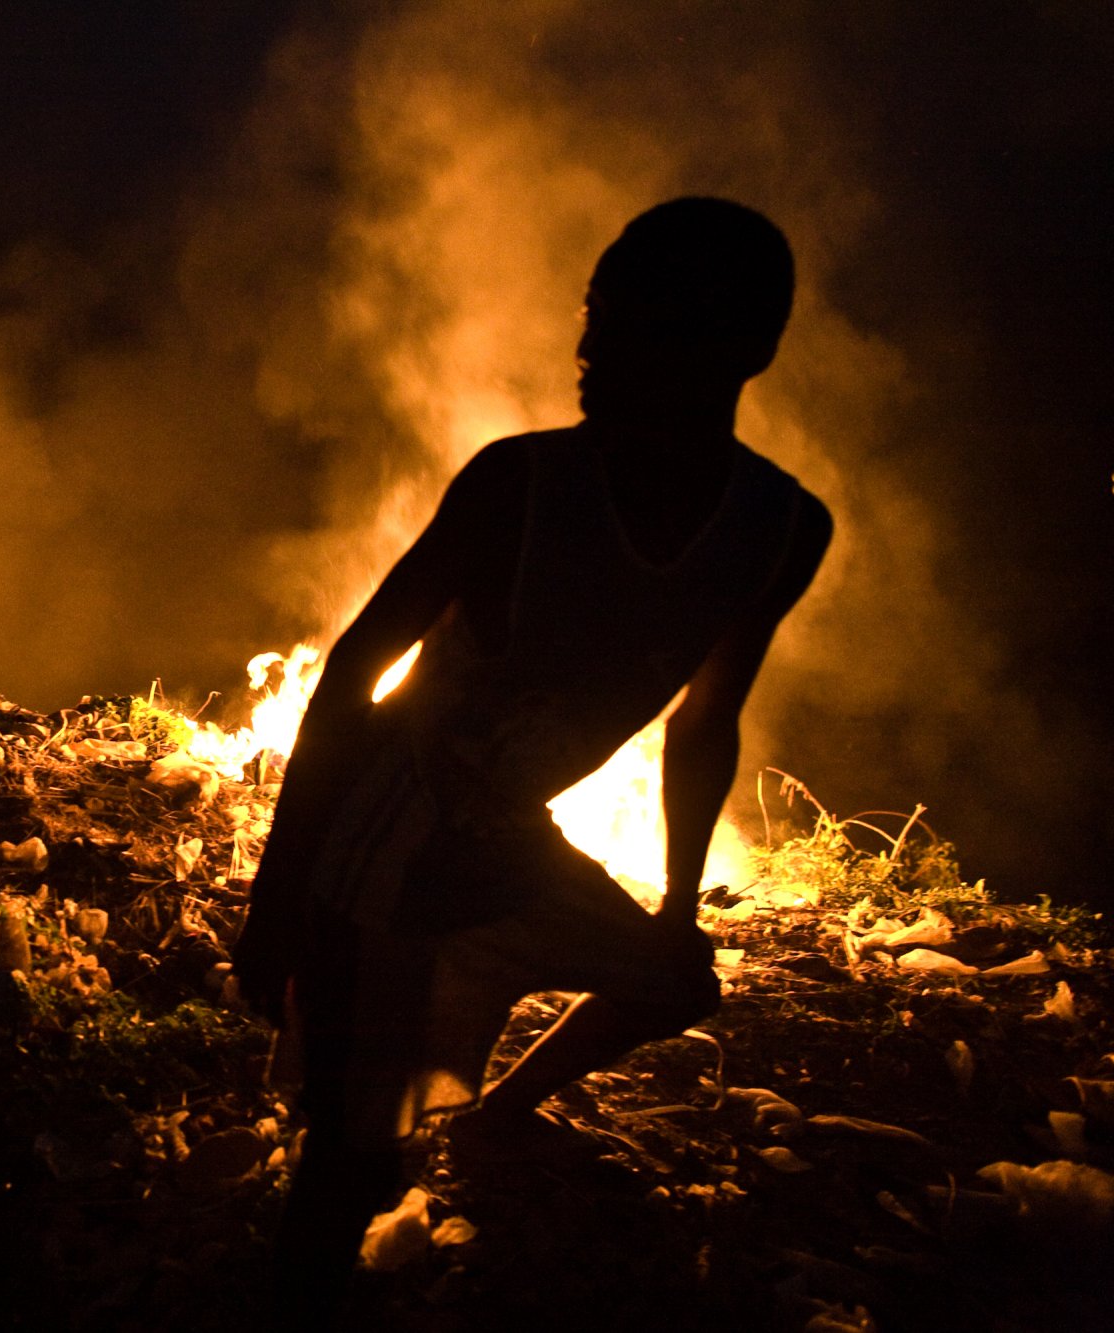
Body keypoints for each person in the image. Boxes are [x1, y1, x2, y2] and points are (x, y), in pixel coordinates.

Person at [231, 196, 833, 1322]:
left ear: (740, 350)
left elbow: (705, 721)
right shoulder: (518, 485)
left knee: (672, 979)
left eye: (635, 322)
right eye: (594, 314)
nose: (590, 347)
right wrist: (283, 895)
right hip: (389, 837)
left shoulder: (778, 528)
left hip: (508, 836)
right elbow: (353, 677)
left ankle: (498, 1112)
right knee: (351, 1169)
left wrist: (676, 902)